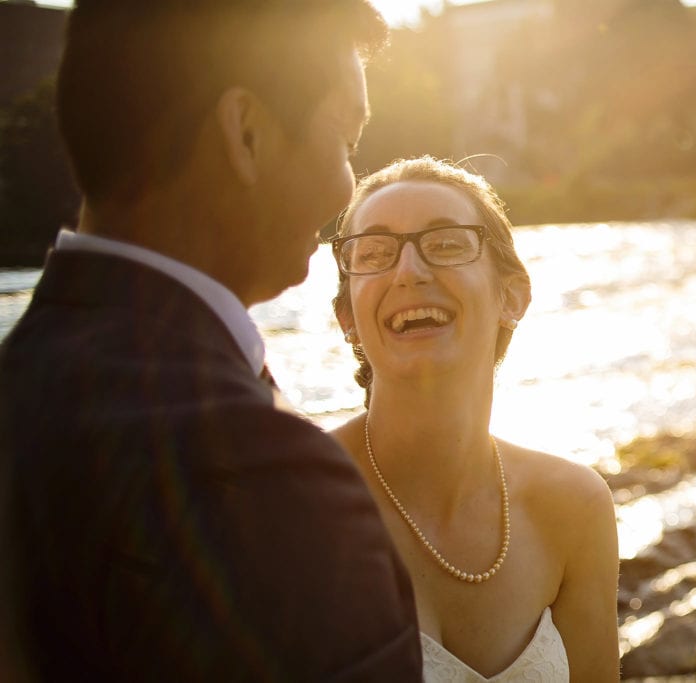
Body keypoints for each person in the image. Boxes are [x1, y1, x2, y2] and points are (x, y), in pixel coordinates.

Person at [0, 1, 422, 680]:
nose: (347, 183)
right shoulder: (265, 477)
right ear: (246, 133)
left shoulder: (20, 389)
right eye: (345, 140)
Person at [329, 156, 621, 681]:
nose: (409, 272)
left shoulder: (574, 507)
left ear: (512, 296)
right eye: (373, 253)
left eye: (445, 244)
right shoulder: (293, 497)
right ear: (348, 316)